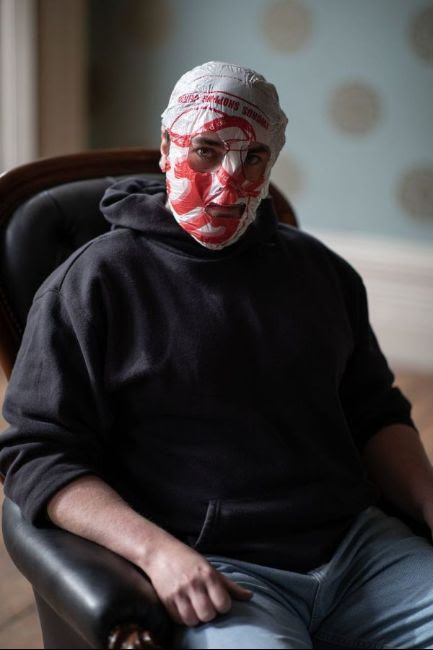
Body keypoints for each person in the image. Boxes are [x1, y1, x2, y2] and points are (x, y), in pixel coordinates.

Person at [1, 61, 433, 649]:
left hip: (362, 550)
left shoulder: (323, 273)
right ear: (165, 148)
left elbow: (374, 411)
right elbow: (38, 455)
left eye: (253, 157)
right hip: (218, 573)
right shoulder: (92, 285)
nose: (228, 181)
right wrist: (158, 554)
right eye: (206, 149)